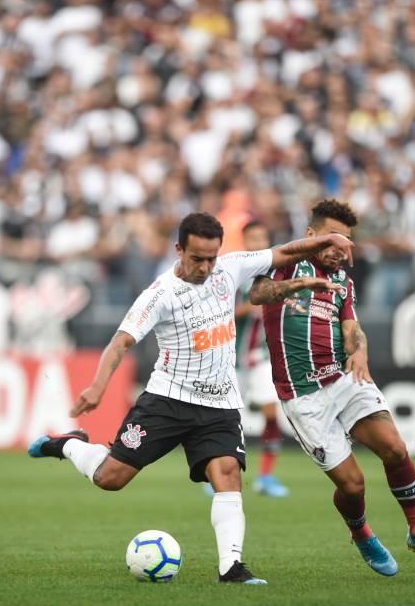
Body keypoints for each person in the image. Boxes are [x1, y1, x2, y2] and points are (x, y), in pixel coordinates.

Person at [28, 211, 352, 585]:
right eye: (197, 258)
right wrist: (98, 386)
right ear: (179, 249)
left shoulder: (228, 269)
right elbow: (122, 342)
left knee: (227, 474)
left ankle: (231, 567)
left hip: (219, 404)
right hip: (167, 400)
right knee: (110, 479)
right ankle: (70, 445)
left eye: (211, 257)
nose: (205, 266)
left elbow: (283, 252)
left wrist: (327, 241)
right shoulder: (160, 294)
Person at [251, 199, 415, 577]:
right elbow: (257, 295)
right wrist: (302, 284)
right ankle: (362, 534)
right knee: (353, 484)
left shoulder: (342, 278)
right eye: (332, 240)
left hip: (342, 379)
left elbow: (350, 326)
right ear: (311, 235)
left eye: (346, 243)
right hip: (303, 395)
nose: (339, 250)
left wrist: (359, 352)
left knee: (394, 448)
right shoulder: (285, 261)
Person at [233, 220, 290, 497]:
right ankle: (217, 475)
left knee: (271, 413)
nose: (256, 243)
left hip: (262, 357)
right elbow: (221, 315)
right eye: (251, 238)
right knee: (227, 420)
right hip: (232, 360)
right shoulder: (235, 274)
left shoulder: (276, 274)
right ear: (245, 241)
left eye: (260, 238)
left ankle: (265, 476)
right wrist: (250, 306)